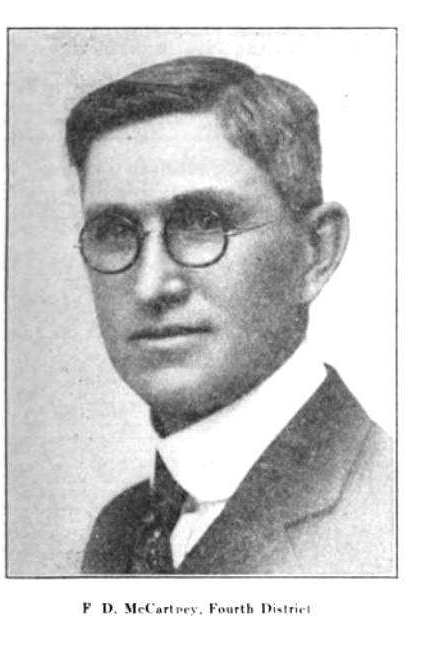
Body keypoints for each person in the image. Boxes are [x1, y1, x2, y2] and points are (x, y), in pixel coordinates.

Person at [65, 55, 394, 575]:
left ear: (316, 252)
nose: (151, 286)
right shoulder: (119, 529)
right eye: (114, 232)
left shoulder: (400, 515)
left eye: (203, 222)